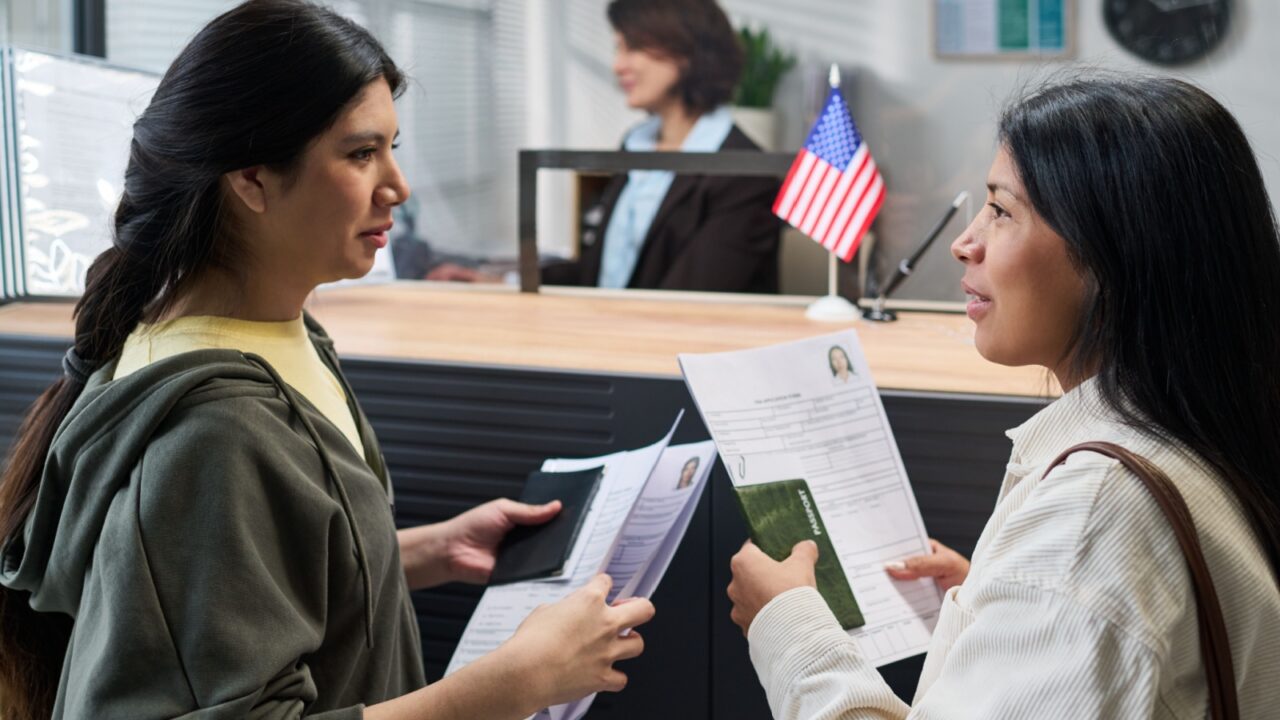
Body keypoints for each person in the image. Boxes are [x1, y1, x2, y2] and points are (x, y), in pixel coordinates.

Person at [0, 2, 653, 718]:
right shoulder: (216, 432)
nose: (397, 187)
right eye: (360, 153)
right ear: (251, 180)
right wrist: (515, 684)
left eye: (392, 148)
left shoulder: (281, 335)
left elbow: (242, 582)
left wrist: (422, 550)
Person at [726, 75, 1280, 717]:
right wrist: (1005, 601)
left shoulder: (1093, 520)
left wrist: (788, 624)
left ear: (1112, 254)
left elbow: (1096, 569)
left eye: (1001, 209)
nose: (966, 242)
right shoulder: (1208, 427)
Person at [437, 0, 781, 292]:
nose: (618, 65)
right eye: (618, 47)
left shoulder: (745, 176)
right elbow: (599, 276)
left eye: (632, 47)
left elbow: (685, 301)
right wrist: (505, 282)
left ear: (687, 52)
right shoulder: (638, 147)